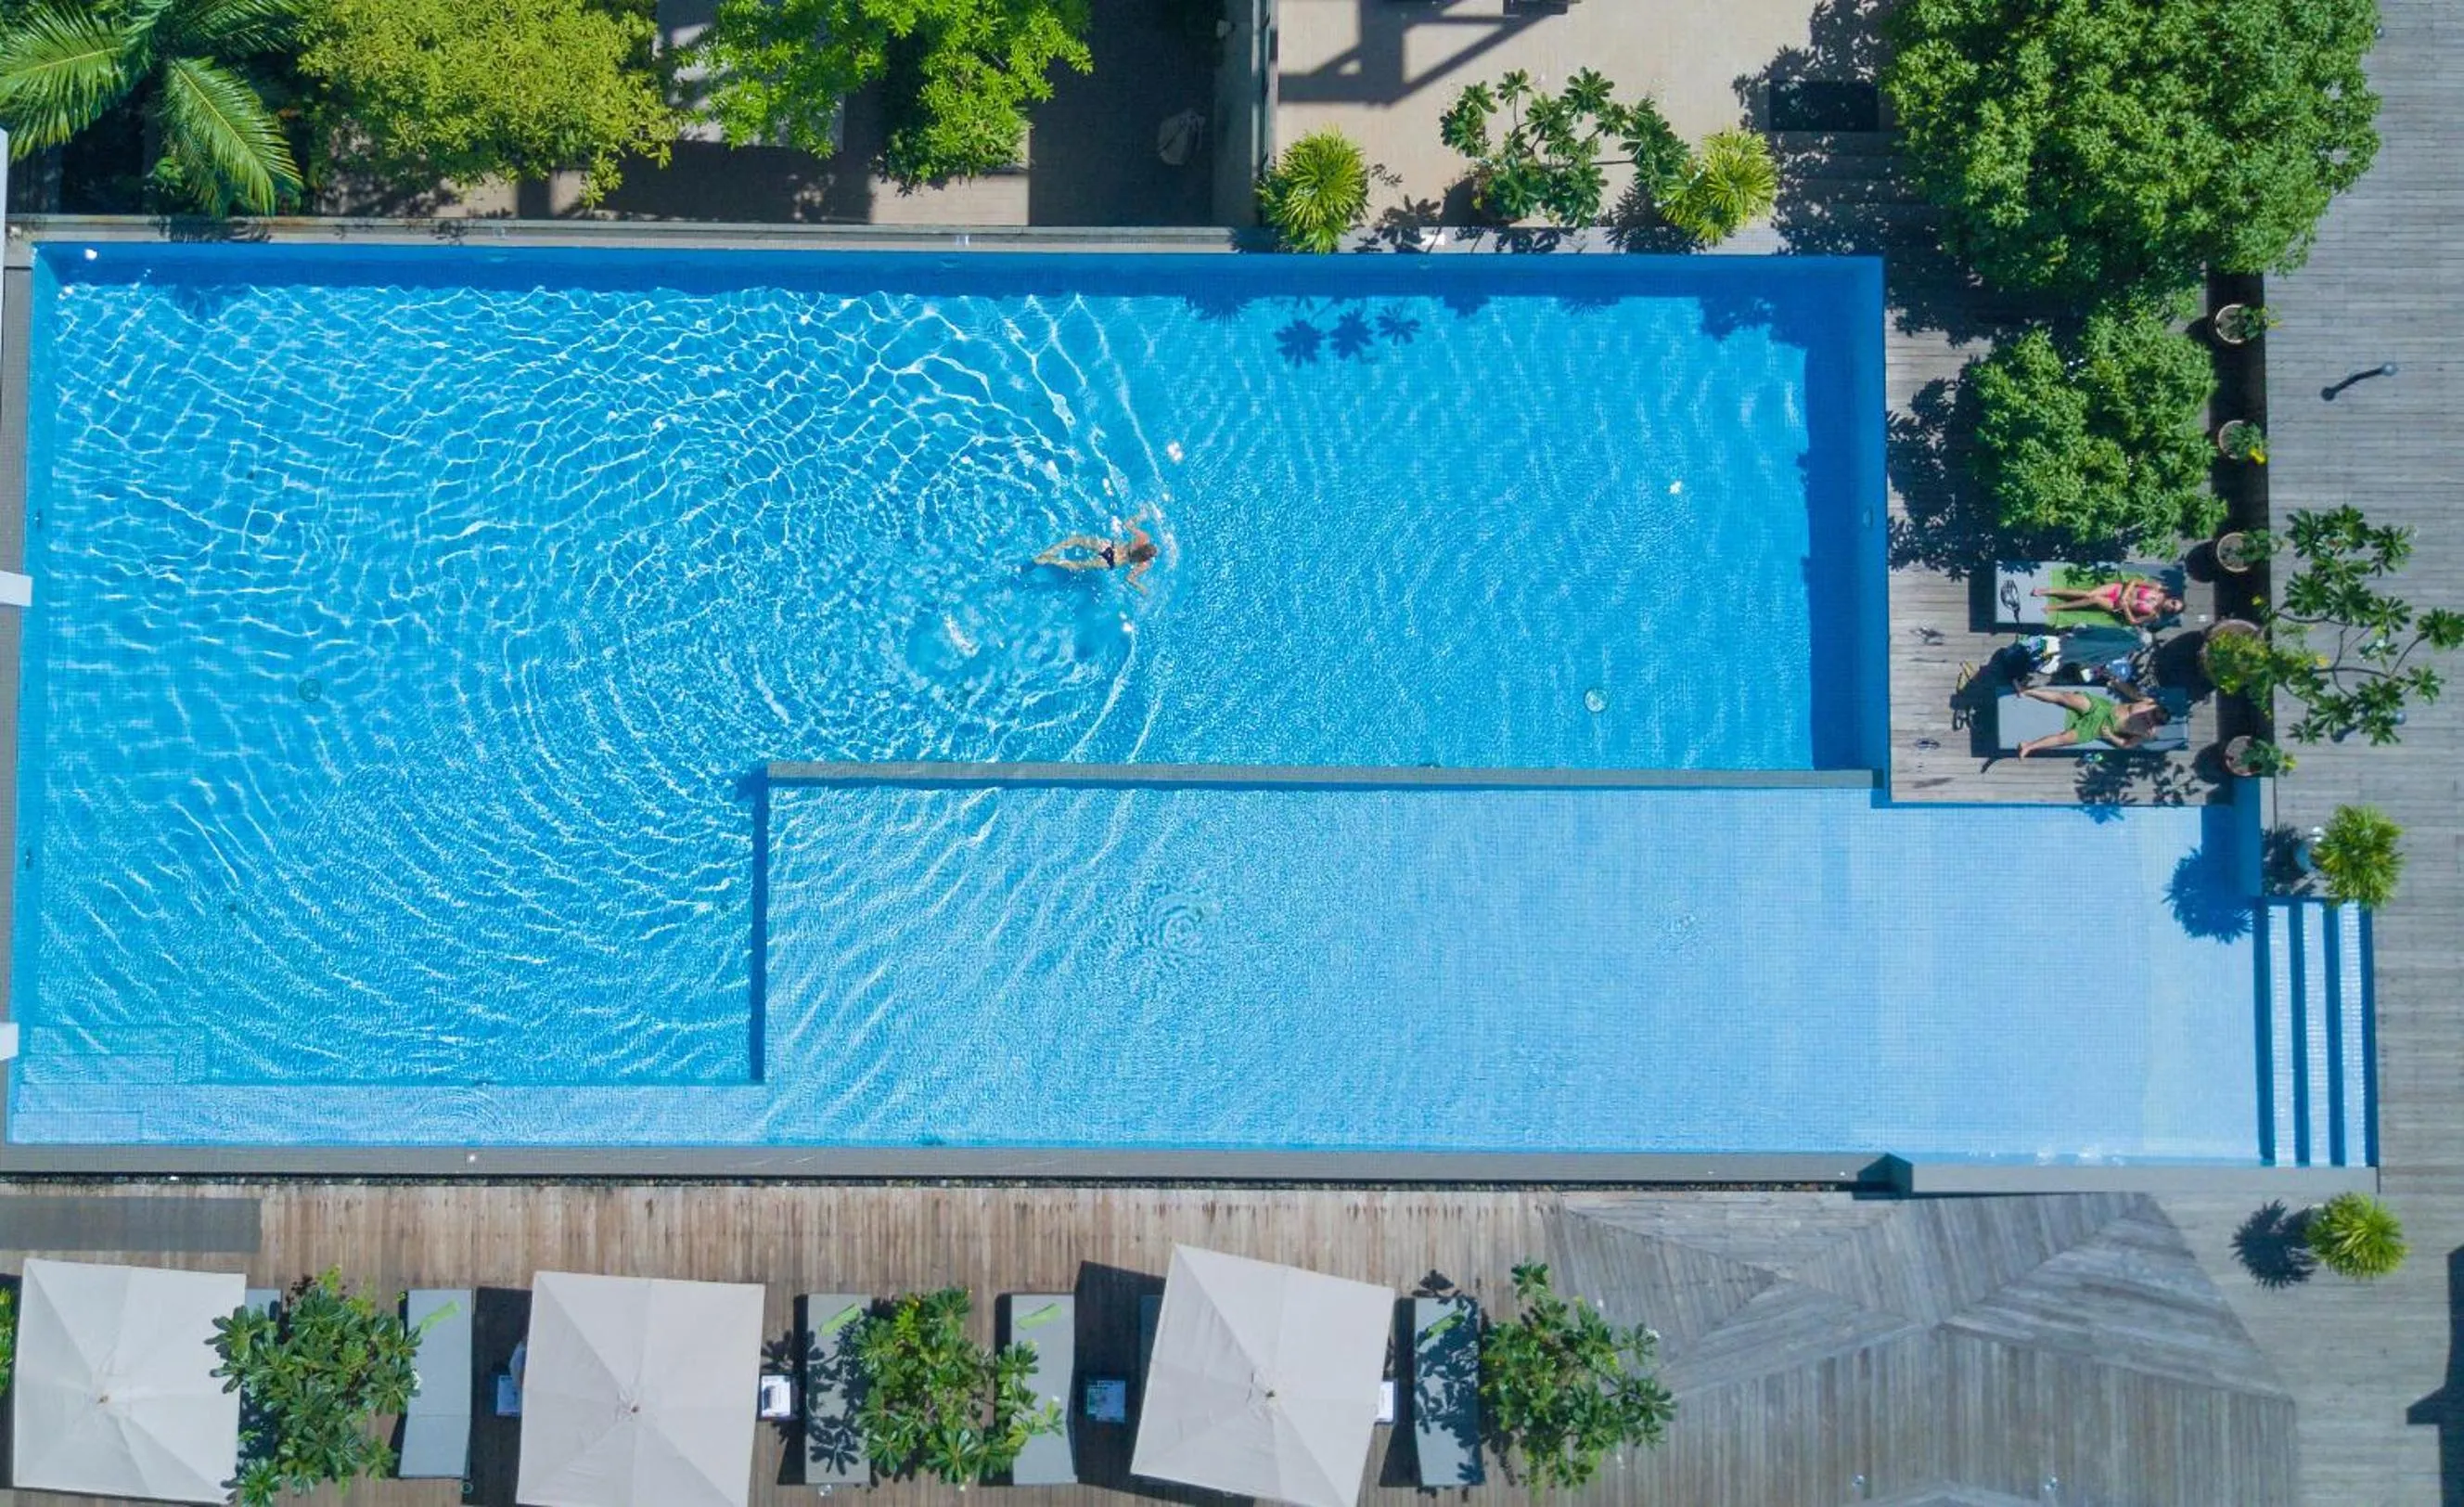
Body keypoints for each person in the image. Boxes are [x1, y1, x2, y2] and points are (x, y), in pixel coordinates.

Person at [2014, 686, 2172, 757]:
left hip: (2101, 727)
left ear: (2154, 723)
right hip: (2104, 708)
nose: (2146, 715)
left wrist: (2110, 736)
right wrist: (2116, 683)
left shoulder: (2147, 733)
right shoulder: (2148, 703)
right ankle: (2027, 691)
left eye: (2149, 718)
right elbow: (2132, 693)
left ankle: (2029, 746)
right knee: (2067, 698)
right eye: (2149, 712)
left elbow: (2127, 745)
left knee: (2065, 738)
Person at [1036, 512, 1157, 591]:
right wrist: (1142, 588)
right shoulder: (1144, 564)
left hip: (1110, 547)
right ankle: (1049, 560)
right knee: (1078, 565)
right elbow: (1129, 579)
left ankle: (1051, 551)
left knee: (1076, 540)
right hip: (1111, 561)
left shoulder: (1143, 538)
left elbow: (1127, 525)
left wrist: (1140, 515)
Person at [2032, 575, 2183, 626]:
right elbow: (2134, 581)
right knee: (2088, 593)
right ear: (2173, 598)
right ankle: (2049, 591)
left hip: (2116, 605)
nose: (2171, 607)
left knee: (2094, 599)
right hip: (2118, 590)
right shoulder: (2157, 587)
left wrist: (2126, 608)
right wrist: (2126, 594)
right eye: (2174, 603)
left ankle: (2056, 607)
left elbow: (2133, 622)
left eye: (2173, 610)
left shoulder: (2154, 615)